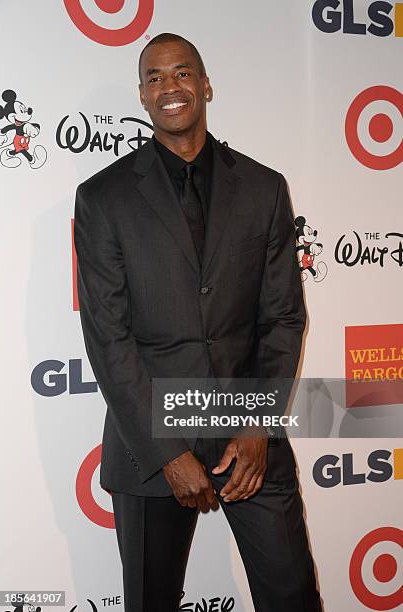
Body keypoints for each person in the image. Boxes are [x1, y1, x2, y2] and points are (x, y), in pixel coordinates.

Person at [74, 32, 323, 612]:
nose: (170, 88)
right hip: (150, 445)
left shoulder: (264, 188)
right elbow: (108, 336)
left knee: (292, 597)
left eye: (182, 73)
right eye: (155, 77)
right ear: (141, 95)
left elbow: (283, 316)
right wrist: (166, 451)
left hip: (249, 435)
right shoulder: (102, 197)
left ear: (206, 85)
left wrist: (258, 425)